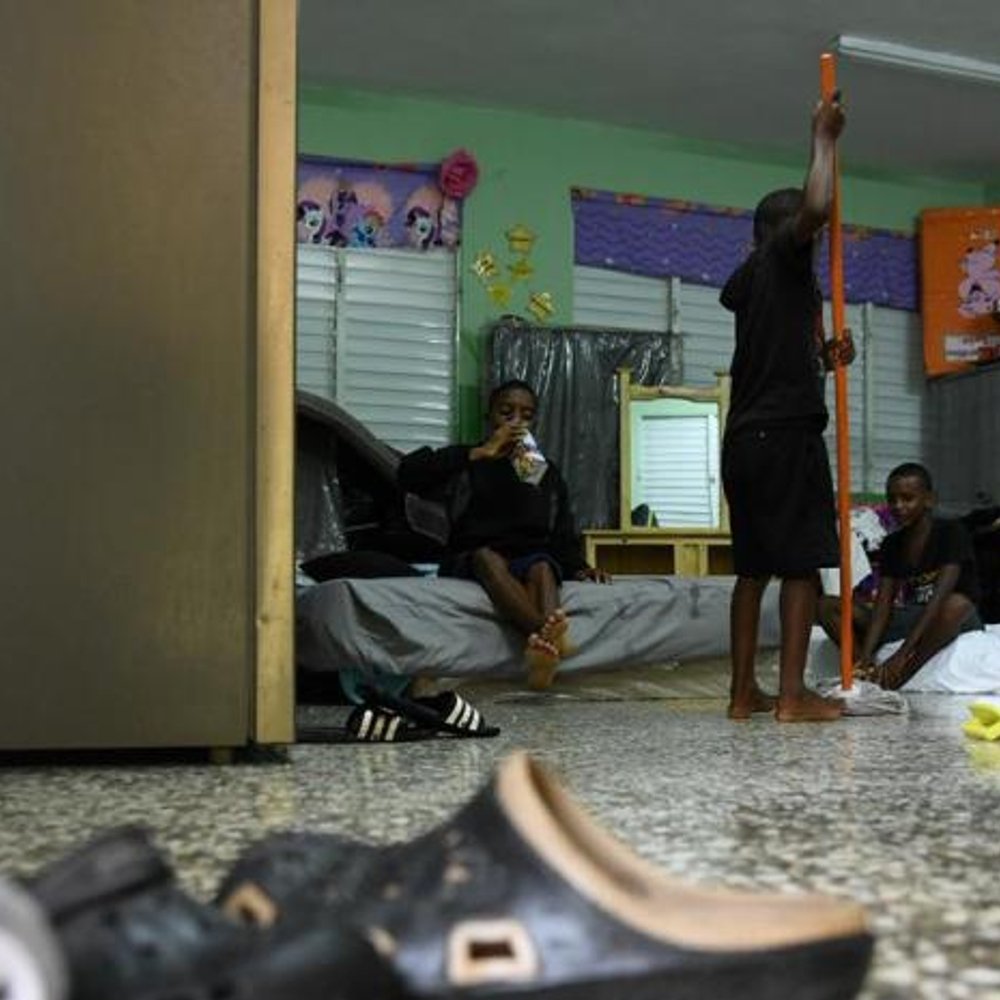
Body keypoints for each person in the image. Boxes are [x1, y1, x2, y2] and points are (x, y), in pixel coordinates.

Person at [720, 92, 853, 723]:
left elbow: (780, 355)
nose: (815, 238)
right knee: (801, 569)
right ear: (784, 232)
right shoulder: (781, 256)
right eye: (807, 233)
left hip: (747, 440)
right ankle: (794, 697)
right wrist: (823, 138)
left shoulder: (757, 284)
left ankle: (743, 693)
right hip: (784, 438)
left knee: (754, 571)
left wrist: (824, 356)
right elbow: (818, 207)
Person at [398, 380, 609, 689]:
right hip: (473, 554)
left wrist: (579, 567)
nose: (516, 422)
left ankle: (542, 653)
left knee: (543, 566)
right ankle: (550, 638)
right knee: (487, 558)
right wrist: (481, 452)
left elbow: (560, 527)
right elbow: (407, 474)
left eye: (526, 416)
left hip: (527, 555)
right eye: (506, 412)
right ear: (490, 417)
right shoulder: (471, 457)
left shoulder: (537, 468)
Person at [818, 463, 983, 690]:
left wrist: (902, 654)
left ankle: (900, 676)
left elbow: (939, 599)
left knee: (956, 604)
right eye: (892, 499)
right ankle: (865, 672)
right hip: (913, 614)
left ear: (929, 500)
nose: (898, 506)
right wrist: (866, 655)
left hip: (952, 616)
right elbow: (883, 606)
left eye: (907, 499)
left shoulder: (951, 532)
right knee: (827, 606)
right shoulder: (892, 543)